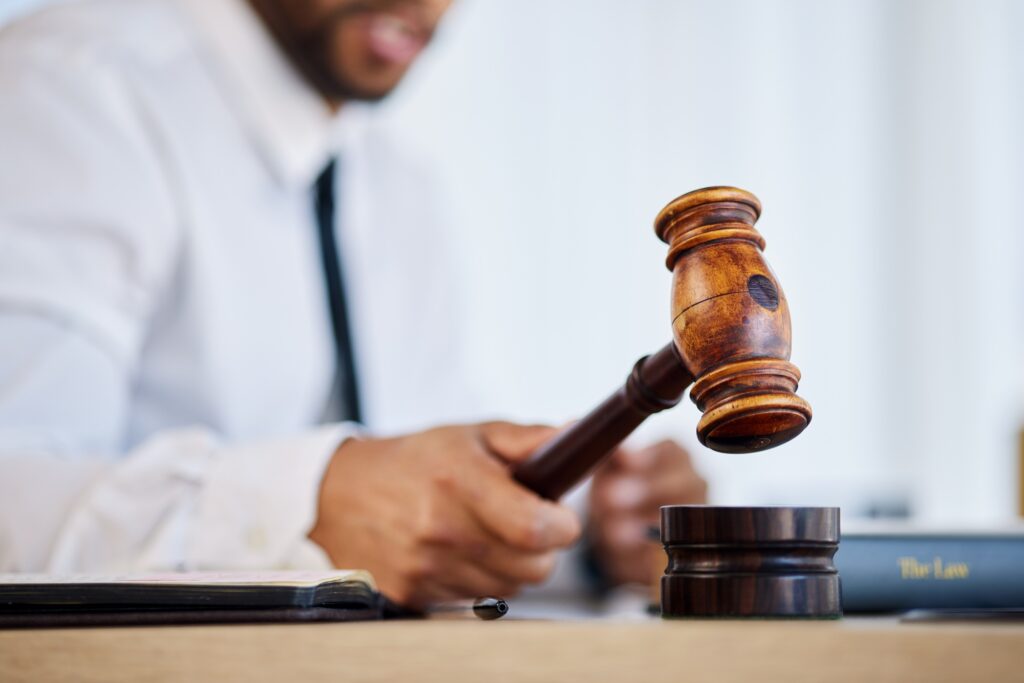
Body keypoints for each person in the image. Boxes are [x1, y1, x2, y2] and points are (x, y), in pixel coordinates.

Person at [0, 0, 706, 608]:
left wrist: (590, 531)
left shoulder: (397, 184)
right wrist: (306, 508)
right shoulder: (62, 91)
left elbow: (419, 510)